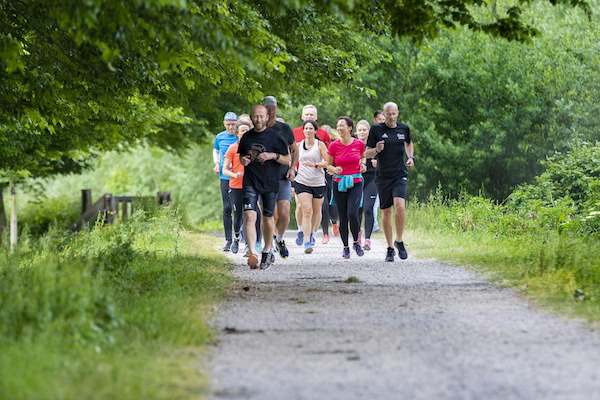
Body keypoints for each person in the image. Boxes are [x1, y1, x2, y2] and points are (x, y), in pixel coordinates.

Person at [238, 105, 291, 269]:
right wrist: (244, 161)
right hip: (250, 182)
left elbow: (287, 159)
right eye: (255, 116)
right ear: (251, 117)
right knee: (249, 216)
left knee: (268, 218)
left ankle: (267, 251)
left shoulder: (276, 137)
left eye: (261, 116)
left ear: (267, 117)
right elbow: (242, 157)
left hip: (269, 182)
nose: (258, 119)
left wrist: (272, 155)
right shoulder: (246, 137)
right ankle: (253, 252)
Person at [365, 102, 415, 262]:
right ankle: (389, 248)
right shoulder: (376, 130)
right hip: (382, 176)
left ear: (398, 113)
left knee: (400, 206)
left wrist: (410, 157)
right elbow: (366, 153)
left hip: (399, 174)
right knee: (386, 211)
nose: (391, 117)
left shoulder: (404, 129)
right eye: (388, 114)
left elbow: (408, 143)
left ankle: (399, 240)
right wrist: (376, 150)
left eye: (394, 114)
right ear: (384, 115)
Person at [326, 117, 366, 259]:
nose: (339, 128)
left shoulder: (359, 144)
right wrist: (334, 168)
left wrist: (363, 165)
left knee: (352, 214)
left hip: (355, 181)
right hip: (339, 182)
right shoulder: (333, 145)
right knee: (343, 216)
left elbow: (362, 158)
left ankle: (356, 242)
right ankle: (345, 247)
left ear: (350, 128)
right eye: (338, 126)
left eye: (342, 125)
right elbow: (328, 165)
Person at [292, 105, 331, 244]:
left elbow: (328, 159)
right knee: (303, 208)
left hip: (318, 180)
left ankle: (313, 233)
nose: (309, 117)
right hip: (300, 178)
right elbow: (290, 157)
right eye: (306, 114)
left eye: (311, 115)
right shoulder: (295, 136)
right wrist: (291, 171)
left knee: (316, 210)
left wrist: (317, 165)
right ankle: (303, 233)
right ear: (302, 116)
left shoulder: (322, 139)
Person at [263, 96, 297, 258]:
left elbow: (294, 150)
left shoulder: (284, 128)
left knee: (284, 213)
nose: (270, 110)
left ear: (276, 108)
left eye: (272, 107)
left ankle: (280, 239)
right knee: (271, 214)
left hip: (283, 177)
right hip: (264, 179)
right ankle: (268, 247)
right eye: (267, 107)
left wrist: (292, 169)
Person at [223, 121, 262, 255]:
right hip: (235, 186)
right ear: (238, 134)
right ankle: (236, 238)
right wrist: (234, 174)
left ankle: (251, 244)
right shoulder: (232, 148)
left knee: (252, 214)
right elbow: (224, 170)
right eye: (242, 131)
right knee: (238, 215)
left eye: (247, 131)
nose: (244, 133)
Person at [212, 111, 238, 251]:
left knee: (238, 209)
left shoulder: (240, 137)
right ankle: (228, 240)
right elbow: (215, 150)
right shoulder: (220, 137)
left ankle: (240, 238)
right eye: (228, 124)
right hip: (225, 176)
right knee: (227, 208)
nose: (230, 127)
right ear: (224, 123)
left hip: (239, 177)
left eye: (233, 124)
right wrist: (217, 163)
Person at [355, 120, 378, 251]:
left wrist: (378, 162)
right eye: (360, 130)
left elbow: (384, 157)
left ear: (369, 132)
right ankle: (358, 235)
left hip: (372, 179)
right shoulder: (353, 144)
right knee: (357, 209)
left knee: (369, 209)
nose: (362, 132)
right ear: (356, 132)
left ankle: (368, 240)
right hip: (356, 179)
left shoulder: (374, 145)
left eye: (365, 130)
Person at [319, 124, 339, 243]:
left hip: (332, 175)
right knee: (324, 205)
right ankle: (325, 233)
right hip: (320, 176)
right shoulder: (318, 145)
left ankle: (335, 222)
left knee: (333, 203)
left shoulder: (335, 144)